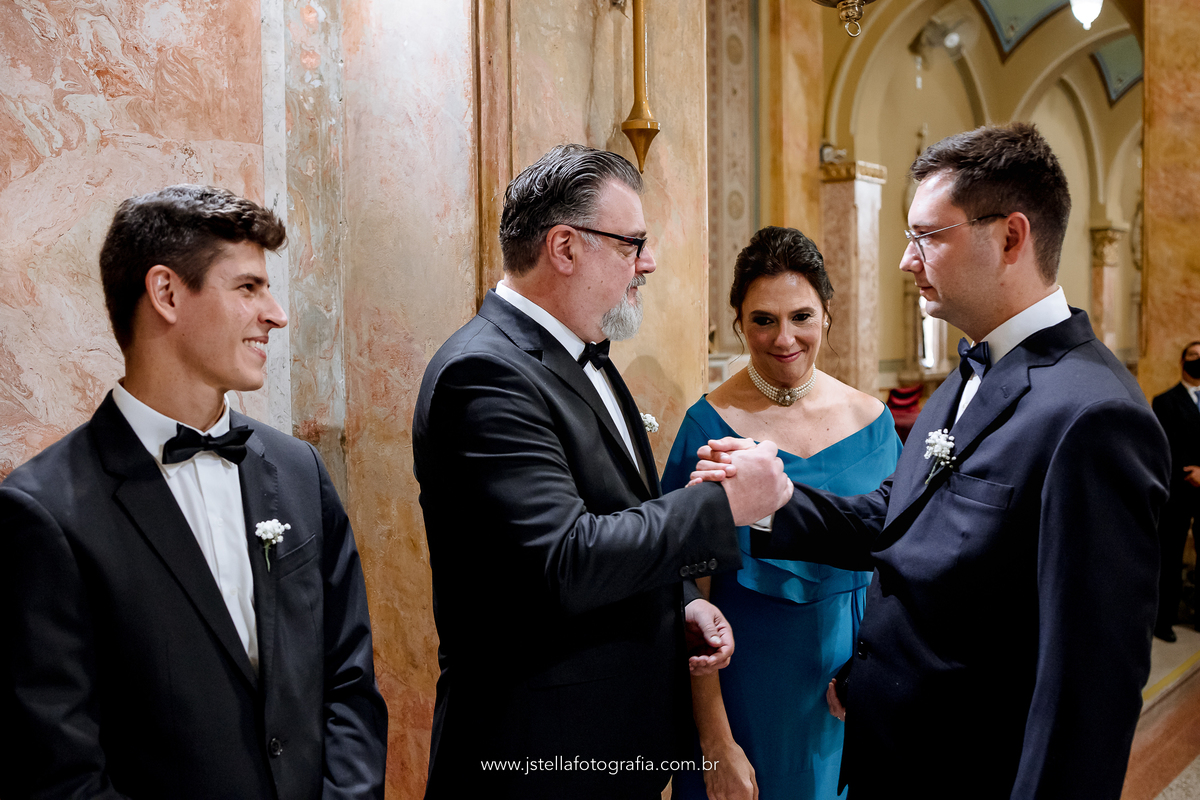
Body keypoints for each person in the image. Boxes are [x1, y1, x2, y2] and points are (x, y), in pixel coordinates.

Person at [694, 123, 1170, 798]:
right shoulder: (968, 375)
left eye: (927, 236)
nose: (905, 260)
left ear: (1011, 236)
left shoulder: (1093, 418)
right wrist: (769, 501)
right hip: (894, 758)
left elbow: (1086, 695)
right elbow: (896, 518)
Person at [411, 144, 793, 799]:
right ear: (564, 248)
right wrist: (722, 505)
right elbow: (562, 558)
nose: (646, 262)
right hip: (534, 754)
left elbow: (612, 518)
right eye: (631, 243)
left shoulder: (586, 352)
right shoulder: (486, 374)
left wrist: (680, 603)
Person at [0, 185, 388, 799]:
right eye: (247, 288)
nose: (276, 313)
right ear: (167, 293)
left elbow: (348, 684)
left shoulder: (299, 471)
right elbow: (60, 769)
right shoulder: (43, 512)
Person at [665, 226, 902, 800]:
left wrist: (877, 677)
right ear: (739, 322)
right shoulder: (706, 427)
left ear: (827, 315)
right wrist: (715, 741)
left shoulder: (874, 422)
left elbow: (899, 567)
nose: (784, 338)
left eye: (802, 316)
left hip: (850, 692)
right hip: (748, 694)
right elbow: (681, 591)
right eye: (763, 320)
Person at [1151, 340, 1200, 641]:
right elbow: (1165, 445)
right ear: (1182, 362)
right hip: (1179, 488)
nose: (1198, 360)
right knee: (1170, 557)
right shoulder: (1165, 401)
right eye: (1193, 356)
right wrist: (1191, 471)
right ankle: (1163, 621)